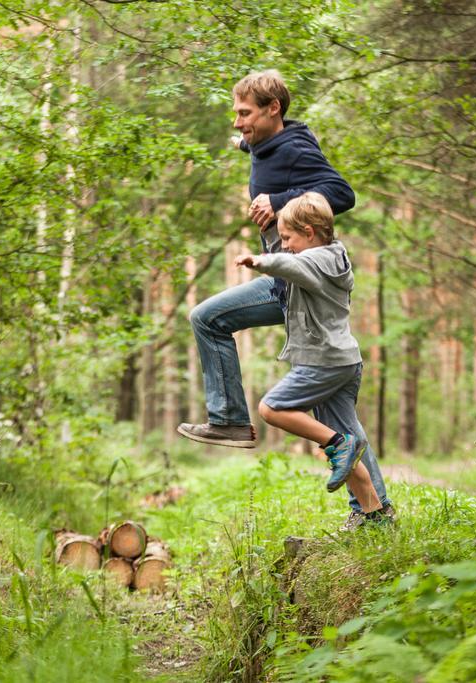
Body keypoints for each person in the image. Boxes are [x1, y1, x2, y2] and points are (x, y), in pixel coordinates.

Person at [176, 70, 392, 528]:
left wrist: (278, 201)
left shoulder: (294, 148)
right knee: (340, 422)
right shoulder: (267, 142)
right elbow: (257, 147)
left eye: (245, 113)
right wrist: (245, 145)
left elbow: (342, 194)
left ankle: (231, 419)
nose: (237, 123)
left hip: (290, 282)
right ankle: (376, 513)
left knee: (208, 318)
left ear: (274, 109)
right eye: (236, 113)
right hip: (291, 285)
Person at [234, 192, 391, 527]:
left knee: (272, 409)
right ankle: (376, 514)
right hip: (343, 360)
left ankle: (336, 443)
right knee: (350, 442)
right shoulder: (331, 256)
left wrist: (260, 261)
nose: (285, 245)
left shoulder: (317, 260)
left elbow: (291, 264)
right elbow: (291, 257)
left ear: (309, 231)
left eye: (288, 237)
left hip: (324, 362)